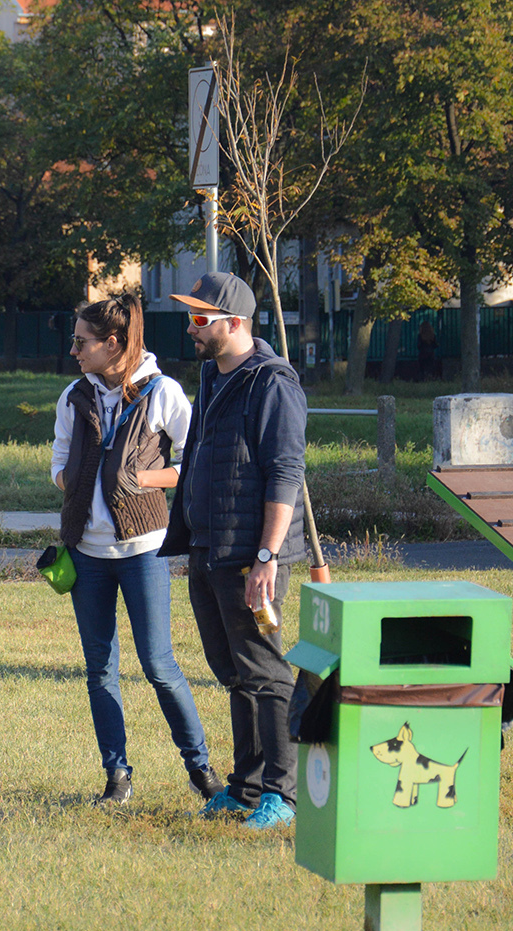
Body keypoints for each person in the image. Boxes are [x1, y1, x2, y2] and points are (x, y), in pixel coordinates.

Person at [51, 293, 225, 806]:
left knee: (159, 664)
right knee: (99, 668)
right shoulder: (73, 396)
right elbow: (57, 462)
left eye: (82, 343)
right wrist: (77, 480)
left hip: (144, 548)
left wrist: (139, 478)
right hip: (86, 553)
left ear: (112, 344)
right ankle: (116, 777)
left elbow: (196, 462)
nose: (74, 351)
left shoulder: (163, 391)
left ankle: (201, 770)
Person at [160, 271, 307, 830]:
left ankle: (282, 795)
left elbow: (285, 474)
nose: (191, 328)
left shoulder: (273, 383)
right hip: (207, 549)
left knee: (265, 672)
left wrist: (267, 558)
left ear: (235, 323)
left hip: (251, 557)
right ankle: (244, 788)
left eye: (201, 318)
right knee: (233, 671)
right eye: (190, 315)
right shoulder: (212, 375)